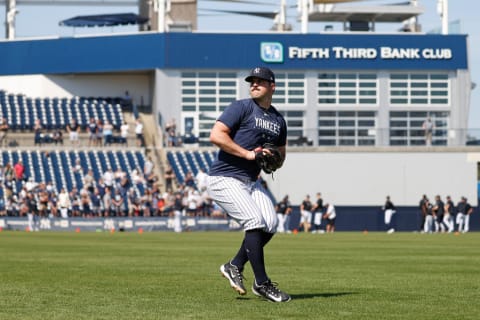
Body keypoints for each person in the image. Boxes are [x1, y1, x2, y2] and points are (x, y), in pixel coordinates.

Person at [207, 67, 290, 302]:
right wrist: (248, 154)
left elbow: (281, 157)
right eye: (252, 81)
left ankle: (234, 265)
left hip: (250, 182)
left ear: (272, 86)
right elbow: (216, 135)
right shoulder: (241, 107)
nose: (254, 84)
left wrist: (272, 159)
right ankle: (262, 283)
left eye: (260, 81)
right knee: (254, 221)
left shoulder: (278, 120)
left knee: (271, 224)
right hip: (224, 177)